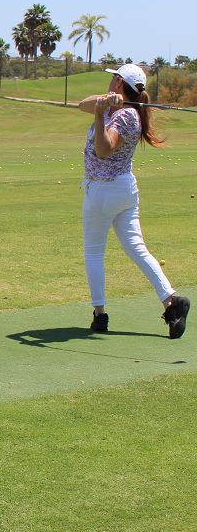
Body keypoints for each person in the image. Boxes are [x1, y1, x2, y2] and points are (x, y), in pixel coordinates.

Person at [79, 63, 188, 339]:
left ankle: (99, 314)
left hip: (103, 191)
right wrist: (103, 103)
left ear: (119, 82)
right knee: (137, 249)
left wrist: (102, 113)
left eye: (113, 78)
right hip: (124, 189)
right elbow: (83, 104)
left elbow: (104, 150)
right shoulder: (126, 109)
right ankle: (171, 302)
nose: (110, 82)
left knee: (94, 252)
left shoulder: (125, 116)